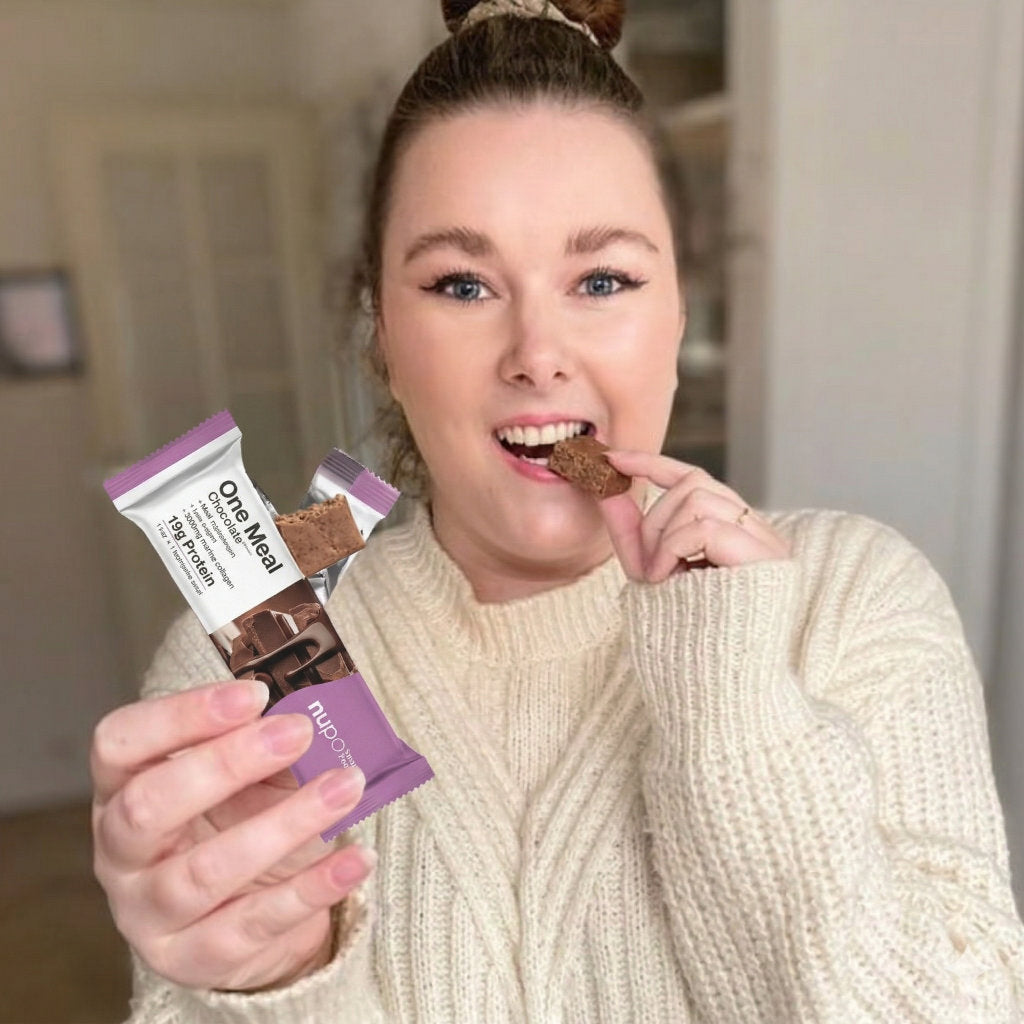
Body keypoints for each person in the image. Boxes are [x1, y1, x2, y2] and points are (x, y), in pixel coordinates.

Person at [91, 1, 1024, 1020]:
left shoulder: (853, 595)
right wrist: (275, 980)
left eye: (603, 278)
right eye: (461, 285)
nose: (537, 353)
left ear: (677, 314)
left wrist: (735, 711)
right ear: (383, 338)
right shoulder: (244, 661)